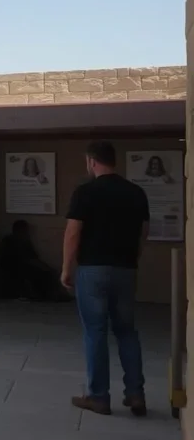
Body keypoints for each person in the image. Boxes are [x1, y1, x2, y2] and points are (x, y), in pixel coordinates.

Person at [62, 140, 149, 417]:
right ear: (114, 161)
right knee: (127, 331)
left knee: (95, 332)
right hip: (125, 269)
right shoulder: (136, 192)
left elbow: (73, 232)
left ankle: (98, 397)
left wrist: (66, 267)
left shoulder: (85, 192)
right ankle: (135, 394)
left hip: (93, 270)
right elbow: (143, 231)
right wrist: (133, 258)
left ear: (91, 161)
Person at [0, 220, 71, 302]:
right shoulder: (13, 241)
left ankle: (55, 295)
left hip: (23, 268)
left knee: (47, 273)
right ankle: (52, 295)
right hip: (15, 270)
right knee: (45, 274)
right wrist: (45, 268)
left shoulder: (23, 241)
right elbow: (28, 259)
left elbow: (33, 258)